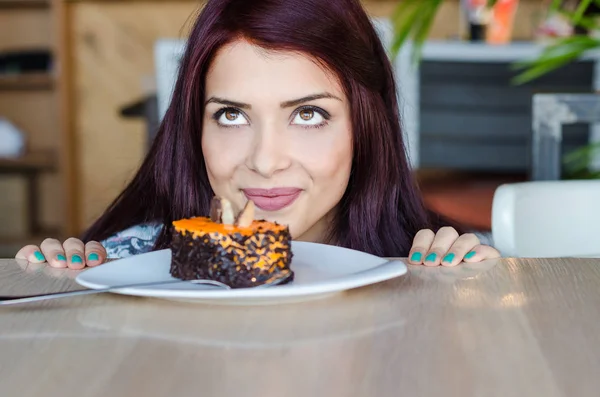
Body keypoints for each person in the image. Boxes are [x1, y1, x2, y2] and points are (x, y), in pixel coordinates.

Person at [16, 0, 500, 269]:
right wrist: (65, 290)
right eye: (231, 116)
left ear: (364, 126)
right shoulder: (128, 264)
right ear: (194, 126)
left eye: (309, 114)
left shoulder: (423, 258)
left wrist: (464, 296)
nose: (266, 162)